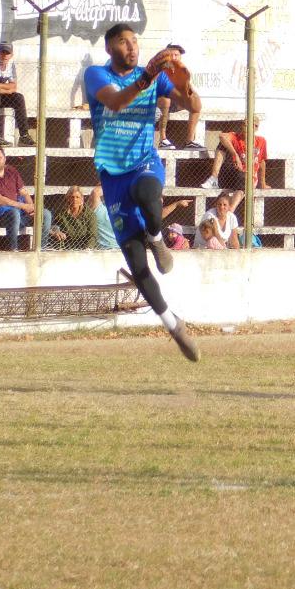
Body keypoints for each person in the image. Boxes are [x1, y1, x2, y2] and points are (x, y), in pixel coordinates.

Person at [83, 22, 197, 360]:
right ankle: (172, 324)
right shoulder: (96, 75)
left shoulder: (156, 77)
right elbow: (116, 102)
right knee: (136, 262)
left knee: (149, 196)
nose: (132, 47)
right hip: (112, 175)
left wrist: (184, 82)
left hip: (144, 162)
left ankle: (157, 239)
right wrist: (147, 76)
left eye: (135, 41)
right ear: (109, 49)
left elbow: (192, 104)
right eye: (123, 42)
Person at [0, 145, 51, 251]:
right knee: (14, 213)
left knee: (45, 214)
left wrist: (31, 207)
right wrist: (23, 206)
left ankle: (41, 249)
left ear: (5, 158)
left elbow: (24, 193)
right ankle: (13, 250)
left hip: (17, 214)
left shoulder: (12, 171)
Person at [156, 44, 204, 150]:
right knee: (166, 100)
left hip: (175, 103)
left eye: (176, 55)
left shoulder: (182, 70)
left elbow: (188, 91)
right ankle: (162, 140)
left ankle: (190, 141)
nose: (173, 58)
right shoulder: (159, 69)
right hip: (157, 103)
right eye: (170, 55)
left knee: (196, 104)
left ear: (180, 57)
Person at [203, 116, 267, 190]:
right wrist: (235, 155)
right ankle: (214, 178)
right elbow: (222, 136)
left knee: (243, 178)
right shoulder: (236, 136)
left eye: (249, 125)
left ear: (256, 127)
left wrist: (263, 183)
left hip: (248, 177)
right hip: (234, 173)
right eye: (244, 124)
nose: (245, 127)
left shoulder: (261, 141)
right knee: (222, 145)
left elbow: (261, 161)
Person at [48, 186, 98, 250]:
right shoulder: (61, 213)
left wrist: (88, 249)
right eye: (72, 197)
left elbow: (92, 235)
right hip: (65, 246)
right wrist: (56, 232)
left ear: (82, 199)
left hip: (84, 247)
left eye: (77, 197)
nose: (74, 199)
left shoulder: (89, 214)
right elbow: (51, 225)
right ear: (68, 199)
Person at [88, 186, 119, 250]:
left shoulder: (100, 210)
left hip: (118, 249)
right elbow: (95, 192)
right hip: (105, 250)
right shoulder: (100, 209)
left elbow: (95, 192)